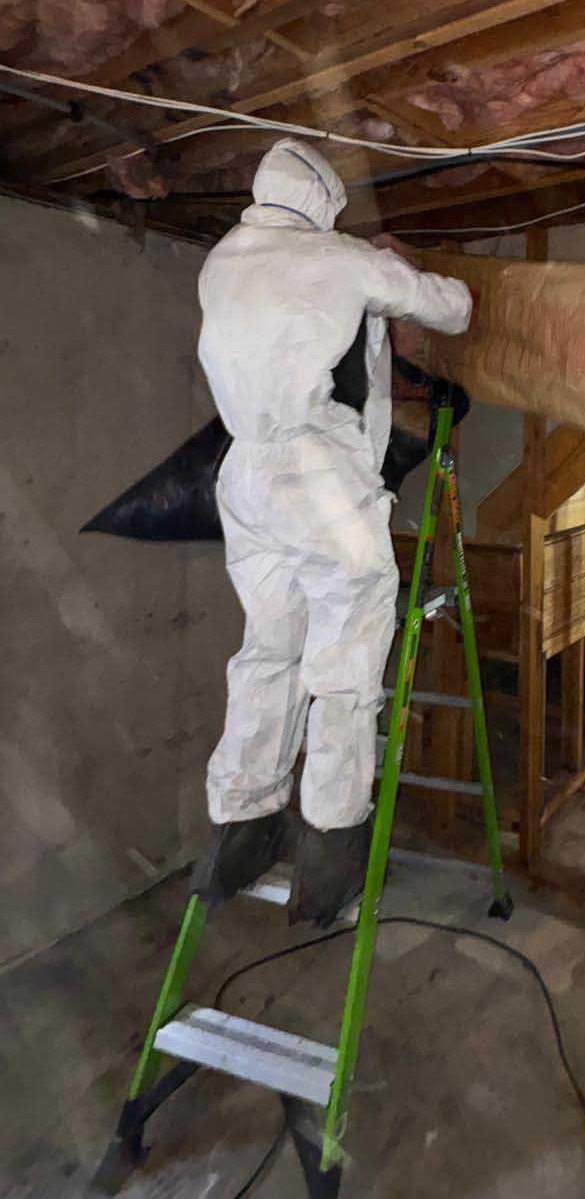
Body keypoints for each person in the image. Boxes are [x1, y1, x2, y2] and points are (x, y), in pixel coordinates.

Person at [192, 137, 472, 926]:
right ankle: (328, 852)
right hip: (318, 477)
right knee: (345, 665)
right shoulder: (340, 258)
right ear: (320, 199)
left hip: (246, 476)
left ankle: (239, 831)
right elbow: (452, 308)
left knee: (268, 651)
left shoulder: (221, 260)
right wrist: (401, 268)